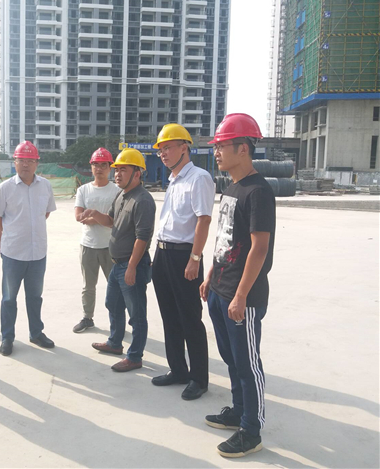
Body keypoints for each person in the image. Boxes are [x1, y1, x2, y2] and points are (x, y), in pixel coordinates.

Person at [199, 113, 275, 458]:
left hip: (243, 296)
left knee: (247, 363)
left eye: (222, 146)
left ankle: (251, 430)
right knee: (230, 358)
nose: (216, 152)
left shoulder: (258, 191)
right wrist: (210, 276)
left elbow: (259, 248)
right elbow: (225, 239)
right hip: (221, 288)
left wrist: (241, 294)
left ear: (243, 148)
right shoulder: (231, 188)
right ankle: (238, 411)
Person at [150, 124, 215, 400]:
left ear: (184, 147)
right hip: (163, 253)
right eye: (161, 150)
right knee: (169, 316)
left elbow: (204, 220)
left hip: (184, 256)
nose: (163, 153)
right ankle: (178, 369)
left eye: (168, 147)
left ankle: (198, 378)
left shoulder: (199, 178)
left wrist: (195, 258)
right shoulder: (174, 179)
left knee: (190, 318)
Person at [81, 148, 156, 372]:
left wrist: (132, 267)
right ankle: (115, 343)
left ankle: (135, 357)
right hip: (117, 263)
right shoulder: (122, 194)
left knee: (136, 314)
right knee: (112, 303)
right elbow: (111, 221)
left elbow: (143, 237)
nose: (117, 174)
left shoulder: (143, 200)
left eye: (123, 170)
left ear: (137, 173)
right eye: (117, 170)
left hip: (132, 265)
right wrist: (95, 213)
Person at [0, 140, 57, 356]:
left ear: (37, 163)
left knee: (35, 296)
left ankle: (36, 333)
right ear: (15, 162)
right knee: (9, 298)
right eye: (21, 160)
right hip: (13, 253)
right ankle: (7, 337)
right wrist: (4, 236)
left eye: (30, 160)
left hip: (38, 253)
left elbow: (46, 213)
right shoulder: (5, 188)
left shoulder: (45, 186)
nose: (26, 165)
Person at [72, 147, 119, 333]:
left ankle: (117, 321)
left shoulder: (116, 191)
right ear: (91, 167)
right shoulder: (83, 190)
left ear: (110, 167)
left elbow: (115, 220)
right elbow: (78, 217)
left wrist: (92, 217)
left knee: (114, 287)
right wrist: (102, 218)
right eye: (96, 165)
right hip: (88, 245)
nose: (99, 169)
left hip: (110, 246)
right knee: (88, 286)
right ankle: (87, 318)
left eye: (103, 165)